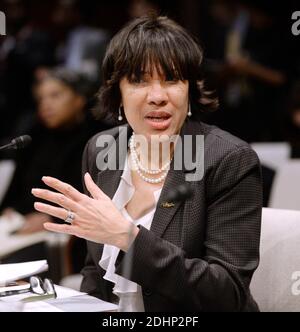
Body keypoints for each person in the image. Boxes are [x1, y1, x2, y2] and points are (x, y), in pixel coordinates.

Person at [31, 15, 262, 311]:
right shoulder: (104, 150)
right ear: (118, 93)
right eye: (139, 81)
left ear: (189, 90)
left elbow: (226, 293)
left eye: (172, 79)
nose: (157, 96)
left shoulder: (226, 159)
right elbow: (95, 271)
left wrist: (128, 237)